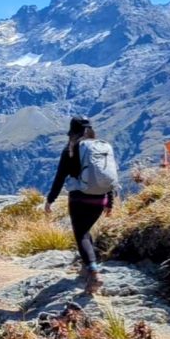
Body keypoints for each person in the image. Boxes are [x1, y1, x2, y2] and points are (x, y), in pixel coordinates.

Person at [44, 116, 115, 294]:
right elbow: (107, 176)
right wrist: (110, 202)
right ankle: (86, 266)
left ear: (72, 131)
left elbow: (60, 178)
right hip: (100, 199)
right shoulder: (101, 147)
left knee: (81, 234)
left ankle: (94, 273)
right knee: (86, 230)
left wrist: (50, 200)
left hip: (79, 198)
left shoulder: (71, 149)